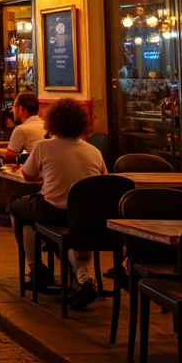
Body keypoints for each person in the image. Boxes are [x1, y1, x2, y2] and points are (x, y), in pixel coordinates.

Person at [9, 98, 107, 309]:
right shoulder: (94, 151)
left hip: (53, 211)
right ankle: (84, 277)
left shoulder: (44, 147)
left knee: (18, 209)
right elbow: (102, 181)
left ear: (52, 122)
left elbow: (27, 175)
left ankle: (36, 268)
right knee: (63, 228)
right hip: (85, 216)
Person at [7, 92, 47, 156]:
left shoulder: (21, 129)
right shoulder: (47, 126)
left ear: (21, 109)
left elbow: (9, 157)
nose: (12, 110)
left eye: (13, 107)